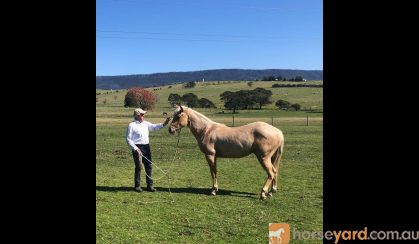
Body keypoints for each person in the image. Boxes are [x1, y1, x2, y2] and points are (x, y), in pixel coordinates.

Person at [126, 108, 171, 192]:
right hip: (137, 147)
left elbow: (154, 127)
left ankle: (150, 186)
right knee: (138, 167)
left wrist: (165, 123)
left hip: (146, 147)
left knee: (149, 166)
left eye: (143, 114)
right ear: (137, 115)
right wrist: (135, 149)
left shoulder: (145, 124)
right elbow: (128, 139)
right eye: (142, 114)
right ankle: (137, 186)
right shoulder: (131, 125)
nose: (144, 116)